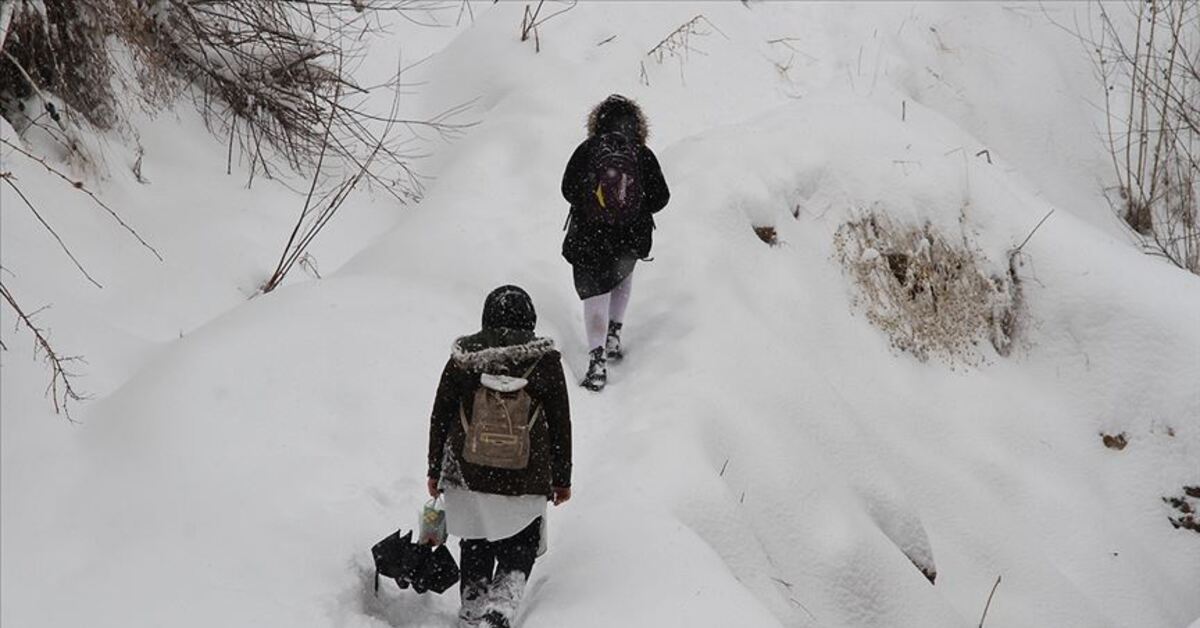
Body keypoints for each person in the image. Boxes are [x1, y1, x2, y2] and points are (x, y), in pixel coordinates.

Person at [426, 285, 572, 628]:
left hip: (466, 471)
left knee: (476, 537)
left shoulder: (463, 358)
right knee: (521, 539)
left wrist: (434, 469)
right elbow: (560, 423)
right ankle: (500, 608)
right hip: (525, 474)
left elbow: (441, 415)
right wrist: (562, 478)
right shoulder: (545, 363)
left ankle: (472, 606)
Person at [561, 94, 670, 391]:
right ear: (637, 125)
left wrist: (594, 204)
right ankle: (614, 334)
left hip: (588, 237)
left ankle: (597, 360)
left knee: (594, 293)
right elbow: (661, 198)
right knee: (621, 275)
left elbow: (567, 189)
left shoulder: (587, 150)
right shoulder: (642, 154)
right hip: (628, 238)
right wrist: (632, 207)